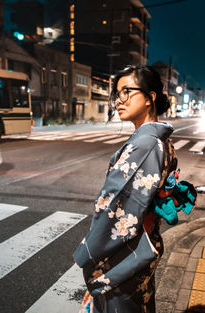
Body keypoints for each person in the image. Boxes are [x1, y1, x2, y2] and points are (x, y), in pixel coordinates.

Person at [73, 65, 179, 313]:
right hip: (139, 250)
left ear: (150, 97)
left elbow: (115, 207)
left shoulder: (146, 145)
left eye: (126, 92)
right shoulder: (160, 142)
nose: (118, 100)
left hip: (123, 259)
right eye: (116, 94)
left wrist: (91, 260)